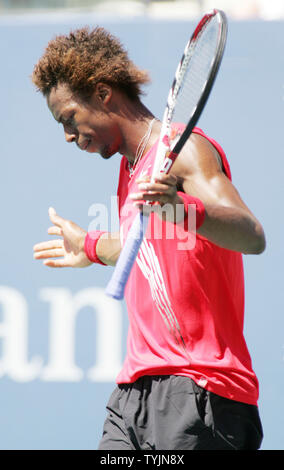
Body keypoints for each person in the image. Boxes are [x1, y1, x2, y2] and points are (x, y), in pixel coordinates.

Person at [32, 26, 265, 450]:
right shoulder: (130, 169)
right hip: (132, 396)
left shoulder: (187, 149)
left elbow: (251, 235)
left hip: (201, 391)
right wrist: (89, 246)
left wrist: (180, 208)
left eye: (68, 118)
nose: (67, 135)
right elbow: (143, 246)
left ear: (102, 93)